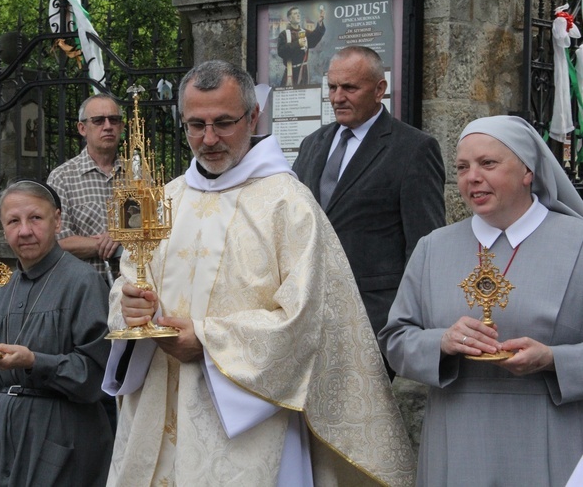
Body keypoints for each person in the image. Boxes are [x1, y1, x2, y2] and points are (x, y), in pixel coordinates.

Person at [103, 60, 415, 486]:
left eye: (223, 123)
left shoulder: (288, 203)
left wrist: (209, 343)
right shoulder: (165, 198)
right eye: (196, 125)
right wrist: (130, 307)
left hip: (247, 423)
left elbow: (305, 318)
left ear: (253, 117)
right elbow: (128, 280)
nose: (208, 139)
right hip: (156, 405)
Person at [378, 115, 583, 486]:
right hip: (457, 439)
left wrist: (555, 359)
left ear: (527, 171)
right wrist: (440, 342)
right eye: (462, 167)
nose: (472, 177)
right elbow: (395, 339)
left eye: (488, 163)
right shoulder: (433, 248)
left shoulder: (579, 242)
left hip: (551, 439)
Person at [293, 45, 446, 380]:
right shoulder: (313, 144)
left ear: (380, 90)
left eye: (350, 88)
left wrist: (408, 324)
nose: (337, 97)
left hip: (372, 322)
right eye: (332, 87)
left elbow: (424, 244)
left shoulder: (413, 149)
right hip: (308, 316)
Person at [0, 180, 113, 487]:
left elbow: (97, 377)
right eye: (13, 221)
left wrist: (35, 362)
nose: (25, 231)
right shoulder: (1, 290)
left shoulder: (83, 283)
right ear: (3, 228)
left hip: (63, 435)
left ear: (56, 220)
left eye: (35, 218)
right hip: (1, 438)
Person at [47, 94, 124, 284]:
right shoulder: (62, 178)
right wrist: (110, 243)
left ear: (121, 127)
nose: (107, 126)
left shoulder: (140, 176)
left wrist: (121, 238)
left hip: (133, 293)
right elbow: (56, 241)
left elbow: (158, 232)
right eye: (98, 121)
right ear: (82, 128)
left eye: (114, 120)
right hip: (82, 291)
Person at [277, 6, 325, 86]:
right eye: (295, 13)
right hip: (290, 71)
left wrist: (319, 23)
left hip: (304, 71)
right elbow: (281, 51)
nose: (298, 15)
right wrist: (298, 44)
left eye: (299, 13)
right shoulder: (284, 35)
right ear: (289, 18)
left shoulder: (305, 32)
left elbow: (314, 39)